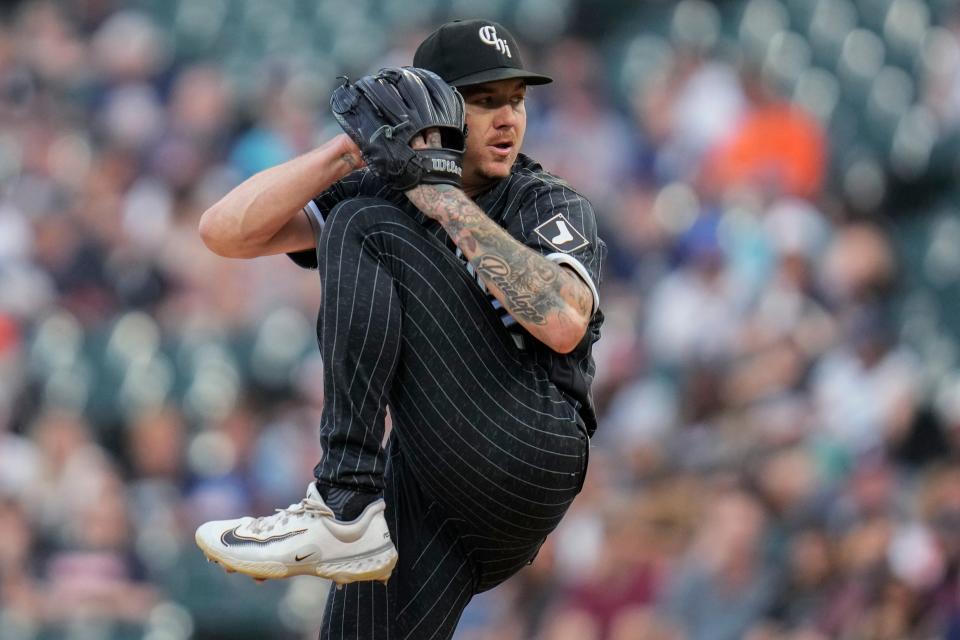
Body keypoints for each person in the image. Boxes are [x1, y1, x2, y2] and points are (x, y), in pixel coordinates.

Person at [194, 18, 605, 639]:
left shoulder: (543, 199)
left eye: (516, 101)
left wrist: (437, 192)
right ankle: (350, 517)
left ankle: (343, 500)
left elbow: (565, 322)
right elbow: (224, 232)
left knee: (364, 222)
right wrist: (349, 150)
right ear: (435, 105)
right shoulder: (381, 185)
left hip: (528, 441)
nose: (508, 119)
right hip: (436, 481)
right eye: (485, 100)